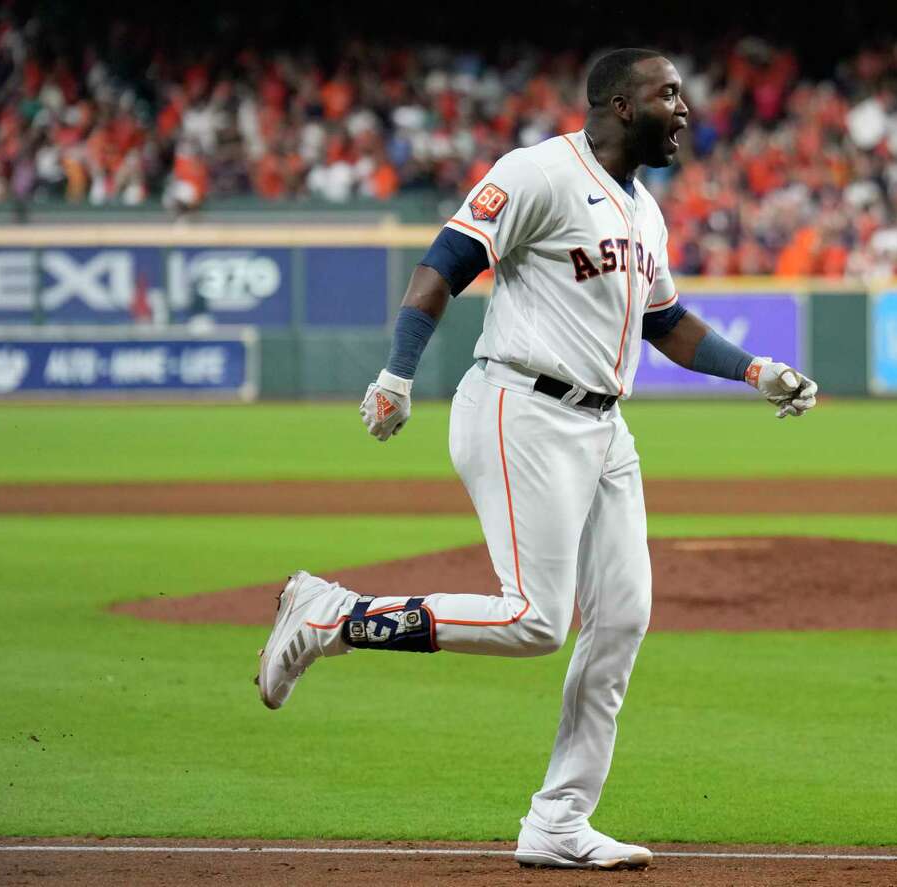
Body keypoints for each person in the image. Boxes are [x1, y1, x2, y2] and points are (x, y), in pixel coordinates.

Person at [256, 48, 817, 871]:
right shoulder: (539, 173)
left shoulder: (644, 210)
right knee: (537, 620)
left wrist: (756, 369)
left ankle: (559, 818)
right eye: (669, 94)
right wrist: (397, 371)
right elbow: (443, 265)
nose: (685, 109)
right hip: (521, 406)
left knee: (621, 616)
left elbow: (668, 324)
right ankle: (330, 615)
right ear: (622, 105)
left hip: (603, 428)